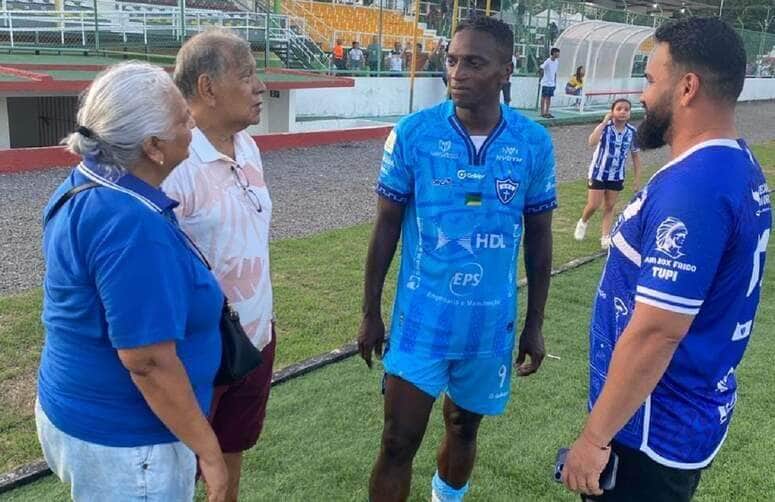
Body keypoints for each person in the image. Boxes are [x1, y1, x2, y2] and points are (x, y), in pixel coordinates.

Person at [561, 17, 771, 501]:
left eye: (652, 79)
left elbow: (658, 331)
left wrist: (594, 439)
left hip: (653, 429)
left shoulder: (695, 186)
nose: (643, 94)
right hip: (680, 412)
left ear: (687, 87)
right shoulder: (736, 161)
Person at [359, 16, 556, 502]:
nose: (457, 73)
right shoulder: (412, 134)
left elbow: (539, 239)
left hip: (490, 327)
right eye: (452, 60)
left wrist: (534, 323)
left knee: (464, 428)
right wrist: (369, 313)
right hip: (420, 322)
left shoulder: (533, 143)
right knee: (397, 440)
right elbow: (386, 227)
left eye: (474, 62)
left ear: (506, 71)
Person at [36, 61, 228, 502]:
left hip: (78, 411)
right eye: (182, 117)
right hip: (126, 443)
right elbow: (148, 361)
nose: (192, 122)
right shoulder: (130, 224)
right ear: (154, 147)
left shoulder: (85, 182)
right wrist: (209, 452)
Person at [162, 30, 274, 502]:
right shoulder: (172, 163)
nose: (260, 87)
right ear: (207, 88)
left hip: (255, 337)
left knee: (230, 456)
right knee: (178, 470)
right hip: (196, 355)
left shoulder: (246, 145)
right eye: (246, 75)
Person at [573, 99, 641, 249]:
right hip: (598, 172)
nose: (623, 112)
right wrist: (604, 122)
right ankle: (583, 221)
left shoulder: (632, 132)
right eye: (619, 109)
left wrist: (637, 179)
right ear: (612, 111)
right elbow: (592, 142)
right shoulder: (605, 128)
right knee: (594, 204)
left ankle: (605, 236)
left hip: (616, 175)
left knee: (610, 206)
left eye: (626, 109)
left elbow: (635, 156)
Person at [538, 47, 560, 118]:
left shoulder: (556, 62)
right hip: (546, 83)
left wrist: (555, 82)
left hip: (552, 83)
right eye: (557, 52)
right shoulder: (548, 61)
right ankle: (542, 112)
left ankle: (547, 112)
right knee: (544, 97)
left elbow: (555, 73)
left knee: (549, 97)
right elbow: (541, 68)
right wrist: (541, 77)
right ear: (553, 53)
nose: (558, 54)